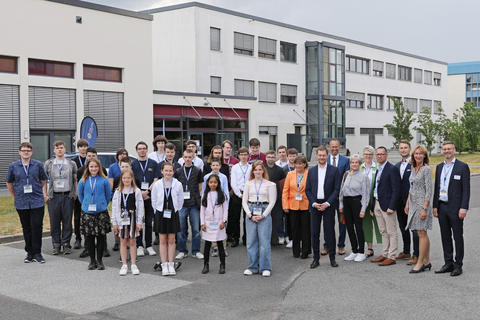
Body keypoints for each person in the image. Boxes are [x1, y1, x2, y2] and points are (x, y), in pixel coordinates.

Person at [6, 142, 49, 263]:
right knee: (26, 227)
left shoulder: (38, 165)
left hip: (37, 201)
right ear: (19, 152)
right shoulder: (13, 166)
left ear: (31, 152)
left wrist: (36, 189)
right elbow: (9, 183)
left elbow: (44, 180)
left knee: (37, 227)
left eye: (28, 150)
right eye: (24, 150)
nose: (26, 152)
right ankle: (29, 253)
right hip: (21, 202)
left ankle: (38, 253)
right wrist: (16, 195)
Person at [433, 141, 470, 277]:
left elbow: (466, 189)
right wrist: (435, 206)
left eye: (449, 149)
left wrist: (463, 207)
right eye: (444, 149)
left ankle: (458, 265)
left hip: (456, 208)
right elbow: (437, 187)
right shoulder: (439, 167)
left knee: (457, 236)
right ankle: (448, 263)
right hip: (442, 206)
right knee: (445, 236)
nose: (447, 151)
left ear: (454, 150)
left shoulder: (462, 167)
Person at [306, 146, 341, 268]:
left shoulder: (334, 170)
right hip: (315, 205)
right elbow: (308, 190)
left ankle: (332, 258)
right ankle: (316, 259)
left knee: (330, 232)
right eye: (319, 155)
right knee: (314, 233)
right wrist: (314, 203)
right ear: (317, 156)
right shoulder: (311, 171)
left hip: (329, 206)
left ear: (327, 156)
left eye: (323, 155)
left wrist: (327, 203)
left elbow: (337, 189)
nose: (321, 157)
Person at [242, 161, 277, 277]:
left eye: (259, 169)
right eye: (255, 170)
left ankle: (265, 267)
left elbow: (272, 202)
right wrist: (250, 215)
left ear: (263, 171)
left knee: (264, 242)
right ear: (253, 171)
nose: (258, 172)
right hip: (251, 211)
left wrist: (263, 215)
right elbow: (244, 201)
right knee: (251, 241)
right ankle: (252, 267)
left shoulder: (270, 184)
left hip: (264, 211)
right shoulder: (248, 184)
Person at [43, 140, 78, 255]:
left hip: (68, 195)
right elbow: (43, 181)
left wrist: (75, 193)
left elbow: (75, 180)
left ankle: (66, 244)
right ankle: (56, 245)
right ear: (54, 150)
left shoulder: (71, 163)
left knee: (67, 222)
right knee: (54, 222)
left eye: (61, 147)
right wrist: (45, 195)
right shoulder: (49, 163)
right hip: (54, 197)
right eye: (57, 148)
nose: (59, 149)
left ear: (64, 149)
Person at [78, 158, 112, 270]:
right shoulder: (83, 180)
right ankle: (92, 261)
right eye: (91, 167)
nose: (94, 169)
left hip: (101, 212)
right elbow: (80, 195)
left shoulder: (104, 180)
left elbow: (108, 195)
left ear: (99, 167)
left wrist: (102, 204)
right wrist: (86, 204)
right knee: (89, 238)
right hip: (87, 213)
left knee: (101, 237)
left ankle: (100, 261)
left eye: (96, 166)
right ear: (87, 168)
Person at [152, 162, 184, 276]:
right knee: (162, 240)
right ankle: (164, 264)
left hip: (173, 213)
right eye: (166, 170)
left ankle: (171, 263)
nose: (168, 173)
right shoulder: (157, 184)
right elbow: (154, 200)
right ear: (162, 171)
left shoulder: (178, 184)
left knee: (171, 240)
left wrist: (176, 210)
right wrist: (158, 212)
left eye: (170, 171)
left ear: (173, 172)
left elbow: (181, 200)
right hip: (161, 213)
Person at [370, 147, 401, 266]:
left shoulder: (392, 169)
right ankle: (384, 254)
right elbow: (376, 188)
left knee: (391, 231)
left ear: (386, 155)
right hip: (378, 203)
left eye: (382, 154)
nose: (379, 156)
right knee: (383, 231)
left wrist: (392, 206)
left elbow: (396, 190)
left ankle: (391, 256)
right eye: (377, 154)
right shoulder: (378, 168)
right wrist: (373, 206)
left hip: (388, 205)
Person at [405, 145, 433, 273]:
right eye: (416, 153)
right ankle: (427, 261)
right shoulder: (414, 167)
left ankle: (420, 263)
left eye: (421, 154)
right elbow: (412, 187)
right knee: (422, 233)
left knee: (421, 233)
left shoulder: (426, 169)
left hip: (422, 204)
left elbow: (429, 190)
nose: (418, 156)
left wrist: (425, 208)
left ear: (425, 156)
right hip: (413, 204)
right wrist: (407, 203)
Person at [131, 141, 161, 257]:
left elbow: (156, 179)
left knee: (149, 222)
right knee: (138, 222)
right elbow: (131, 180)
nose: (142, 150)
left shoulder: (153, 163)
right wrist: (140, 193)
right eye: (140, 149)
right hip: (138, 197)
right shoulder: (133, 164)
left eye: (144, 148)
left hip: (150, 196)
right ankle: (139, 246)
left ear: (147, 150)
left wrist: (147, 191)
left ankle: (148, 245)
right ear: (136, 150)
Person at [112, 169, 144, 276]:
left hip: (133, 217)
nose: (126, 180)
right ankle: (124, 264)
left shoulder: (136, 191)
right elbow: (114, 207)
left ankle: (133, 264)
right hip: (121, 217)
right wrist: (115, 223)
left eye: (128, 178)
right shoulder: (118, 191)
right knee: (123, 241)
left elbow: (140, 207)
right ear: (121, 179)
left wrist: (139, 222)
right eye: (124, 178)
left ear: (132, 179)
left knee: (132, 241)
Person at [339, 154, 370, 262]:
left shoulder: (363, 176)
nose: (354, 164)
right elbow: (341, 190)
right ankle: (354, 250)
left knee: (358, 228)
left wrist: (363, 209)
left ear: (360, 164)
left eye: (356, 162)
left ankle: (361, 252)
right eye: (352, 162)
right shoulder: (346, 174)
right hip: (346, 202)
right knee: (349, 227)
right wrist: (341, 204)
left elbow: (366, 194)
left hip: (357, 202)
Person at [174, 148, 204, 259]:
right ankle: (183, 251)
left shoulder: (197, 170)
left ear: (193, 157)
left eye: (189, 157)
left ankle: (196, 251)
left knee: (195, 229)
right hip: (181, 204)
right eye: (185, 157)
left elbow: (200, 186)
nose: (187, 159)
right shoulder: (178, 171)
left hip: (194, 203)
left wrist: (195, 195)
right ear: (182, 157)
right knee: (181, 229)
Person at [322, 138, 350, 256]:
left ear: (339, 147)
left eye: (336, 146)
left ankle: (341, 245)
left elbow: (347, 178)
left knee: (342, 222)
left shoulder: (345, 160)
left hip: (341, 197)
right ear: (329, 147)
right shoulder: (324, 159)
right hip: (327, 197)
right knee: (327, 223)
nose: (334, 148)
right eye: (332, 146)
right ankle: (327, 245)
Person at [395, 140, 419, 265]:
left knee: (414, 229)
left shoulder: (415, 164)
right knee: (403, 228)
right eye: (401, 148)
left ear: (410, 149)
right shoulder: (397, 166)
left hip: (413, 202)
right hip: (400, 203)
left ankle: (416, 255)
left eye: (405, 148)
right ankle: (406, 251)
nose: (403, 150)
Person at [282, 155, 311, 259]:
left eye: (301, 163)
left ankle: (306, 251)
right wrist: (285, 205)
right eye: (297, 163)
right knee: (295, 229)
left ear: (304, 164)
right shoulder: (290, 174)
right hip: (293, 205)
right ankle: (296, 251)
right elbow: (285, 190)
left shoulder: (309, 174)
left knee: (306, 229)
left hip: (306, 205)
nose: (298, 165)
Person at [201, 157, 229, 257]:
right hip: (209, 205)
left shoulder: (224, 177)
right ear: (211, 166)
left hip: (221, 204)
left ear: (220, 166)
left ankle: (223, 247)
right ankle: (214, 248)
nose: (216, 167)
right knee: (211, 227)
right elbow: (204, 190)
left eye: (217, 165)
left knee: (221, 227)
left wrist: (227, 204)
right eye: (214, 165)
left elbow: (226, 191)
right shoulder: (206, 177)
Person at [201, 175, 228, 274]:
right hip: (208, 224)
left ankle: (222, 265)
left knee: (220, 245)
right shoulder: (205, 195)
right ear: (207, 183)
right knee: (207, 246)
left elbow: (225, 209)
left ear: (218, 183)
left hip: (218, 223)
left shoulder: (222, 195)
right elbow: (202, 210)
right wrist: (202, 223)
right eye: (211, 182)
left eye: (215, 182)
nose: (213, 184)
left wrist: (224, 221)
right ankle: (206, 265)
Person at [155, 142, 181, 245]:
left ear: (174, 153)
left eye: (172, 152)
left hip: (173, 196)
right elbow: (154, 199)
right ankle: (158, 237)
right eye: (168, 152)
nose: (170, 154)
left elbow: (180, 198)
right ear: (164, 152)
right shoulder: (159, 165)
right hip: (163, 197)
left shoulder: (178, 165)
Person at [360, 146, 382, 258]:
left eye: (370, 154)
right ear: (363, 155)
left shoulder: (377, 167)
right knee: (366, 224)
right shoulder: (359, 168)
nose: (368, 156)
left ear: (373, 156)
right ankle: (370, 248)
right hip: (363, 202)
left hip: (375, 200)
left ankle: (384, 249)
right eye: (366, 154)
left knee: (380, 224)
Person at [228, 147, 252, 247]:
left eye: (245, 154)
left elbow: (252, 181)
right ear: (238, 156)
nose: (243, 156)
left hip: (249, 194)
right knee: (235, 217)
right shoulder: (235, 168)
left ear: (248, 156)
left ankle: (246, 238)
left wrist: (246, 194)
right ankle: (235, 238)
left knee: (247, 217)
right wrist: (240, 194)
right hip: (237, 195)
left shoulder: (251, 167)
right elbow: (233, 182)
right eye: (241, 154)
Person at [108, 147, 129, 251]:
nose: (122, 155)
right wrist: (112, 195)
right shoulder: (113, 167)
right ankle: (116, 241)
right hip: (117, 194)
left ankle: (126, 240)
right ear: (117, 156)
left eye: (124, 154)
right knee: (116, 219)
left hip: (128, 195)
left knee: (126, 219)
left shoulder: (129, 166)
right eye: (120, 154)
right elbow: (111, 182)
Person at [265, 150, 286, 244]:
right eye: (269, 157)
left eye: (272, 157)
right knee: (265, 218)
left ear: (275, 158)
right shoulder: (262, 169)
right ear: (266, 158)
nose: (270, 159)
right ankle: (266, 237)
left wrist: (281, 196)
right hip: (264, 198)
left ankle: (277, 236)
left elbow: (282, 184)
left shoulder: (279, 170)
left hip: (277, 197)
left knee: (277, 217)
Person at [279, 148, 298, 246]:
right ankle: (290, 238)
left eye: (294, 156)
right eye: (290, 156)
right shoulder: (284, 169)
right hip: (288, 197)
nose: (292, 158)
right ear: (287, 157)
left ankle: (298, 238)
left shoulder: (299, 168)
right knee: (289, 219)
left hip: (298, 197)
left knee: (298, 219)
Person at [72, 139, 88, 250]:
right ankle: (78, 238)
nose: (83, 148)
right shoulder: (73, 162)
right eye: (81, 146)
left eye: (85, 146)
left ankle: (88, 239)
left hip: (88, 194)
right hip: (77, 194)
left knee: (87, 217)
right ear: (78, 148)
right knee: (77, 217)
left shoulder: (91, 161)